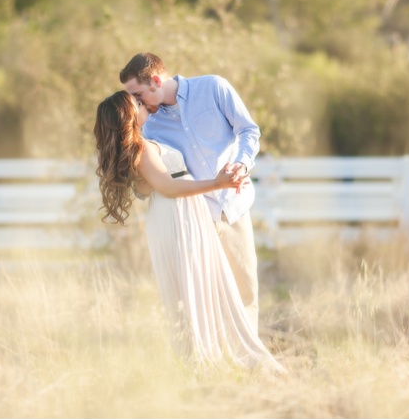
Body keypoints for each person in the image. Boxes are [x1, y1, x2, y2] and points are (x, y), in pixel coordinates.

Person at [94, 91, 285, 374]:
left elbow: (153, 186)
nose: (141, 102)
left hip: (177, 213)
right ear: (128, 115)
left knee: (198, 283)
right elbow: (169, 187)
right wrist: (217, 184)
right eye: (135, 103)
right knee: (196, 283)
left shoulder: (140, 145)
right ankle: (208, 357)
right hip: (177, 213)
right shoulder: (142, 148)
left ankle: (212, 352)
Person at [119, 52, 262, 333]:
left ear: (155, 82)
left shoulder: (213, 88)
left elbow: (248, 131)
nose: (134, 102)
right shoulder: (147, 123)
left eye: (137, 94)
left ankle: (249, 363)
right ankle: (214, 361)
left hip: (232, 207)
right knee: (203, 297)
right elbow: (150, 179)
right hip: (194, 218)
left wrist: (242, 166)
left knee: (246, 291)